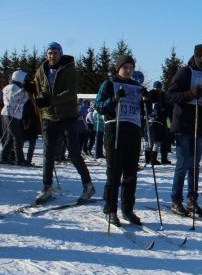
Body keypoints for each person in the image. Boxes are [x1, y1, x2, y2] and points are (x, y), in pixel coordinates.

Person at [25, 42, 94, 203]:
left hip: (67, 116)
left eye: (55, 53)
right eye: (50, 53)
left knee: (74, 153)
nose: (52, 56)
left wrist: (50, 101)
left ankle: (88, 185)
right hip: (48, 117)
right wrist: (31, 89)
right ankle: (47, 187)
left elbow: (70, 93)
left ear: (60, 54)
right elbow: (38, 90)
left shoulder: (69, 69)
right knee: (48, 154)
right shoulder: (42, 70)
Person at [167, 44, 202, 217]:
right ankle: (176, 200)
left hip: (200, 123)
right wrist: (189, 94)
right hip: (183, 123)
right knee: (183, 163)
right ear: (198, 56)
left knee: (195, 165)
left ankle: (192, 199)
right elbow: (170, 95)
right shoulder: (185, 72)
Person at [95, 55, 147, 225]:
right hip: (114, 129)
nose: (129, 70)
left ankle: (127, 209)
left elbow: (144, 109)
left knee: (131, 173)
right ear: (118, 68)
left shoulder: (136, 86)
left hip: (133, 129)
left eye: (131, 67)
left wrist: (148, 100)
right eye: (125, 67)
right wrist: (114, 99)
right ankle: (110, 209)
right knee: (114, 172)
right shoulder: (109, 84)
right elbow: (99, 106)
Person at [1, 70, 30, 165]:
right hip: (10, 113)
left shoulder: (18, 87)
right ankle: (19, 159)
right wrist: (23, 90)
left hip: (15, 114)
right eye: (25, 79)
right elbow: (13, 98)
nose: (26, 81)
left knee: (10, 138)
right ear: (20, 78)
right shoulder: (11, 87)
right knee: (17, 137)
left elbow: (23, 100)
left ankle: (4, 157)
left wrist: (26, 91)